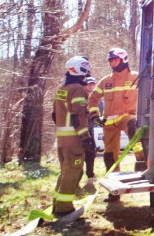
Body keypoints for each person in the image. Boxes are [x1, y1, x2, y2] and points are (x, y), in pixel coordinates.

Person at [89, 47, 144, 201]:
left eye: (115, 60)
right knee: (109, 156)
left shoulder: (136, 77)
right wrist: (95, 115)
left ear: (124, 60)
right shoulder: (106, 81)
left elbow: (149, 91)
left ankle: (141, 160)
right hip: (109, 122)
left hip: (127, 116)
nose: (113, 63)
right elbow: (93, 99)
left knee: (135, 129)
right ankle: (114, 190)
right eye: (111, 61)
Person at [51, 56, 95, 216]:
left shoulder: (61, 88)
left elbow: (54, 115)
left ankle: (57, 204)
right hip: (74, 139)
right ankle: (64, 208)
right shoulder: (77, 89)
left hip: (62, 139)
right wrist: (85, 137)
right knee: (73, 171)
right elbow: (78, 116)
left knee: (65, 170)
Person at [82, 76, 99, 190]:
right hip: (81, 130)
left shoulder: (97, 99)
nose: (90, 86)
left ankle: (90, 177)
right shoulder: (80, 97)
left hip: (92, 131)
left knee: (91, 154)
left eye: (93, 84)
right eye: (88, 84)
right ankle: (76, 179)